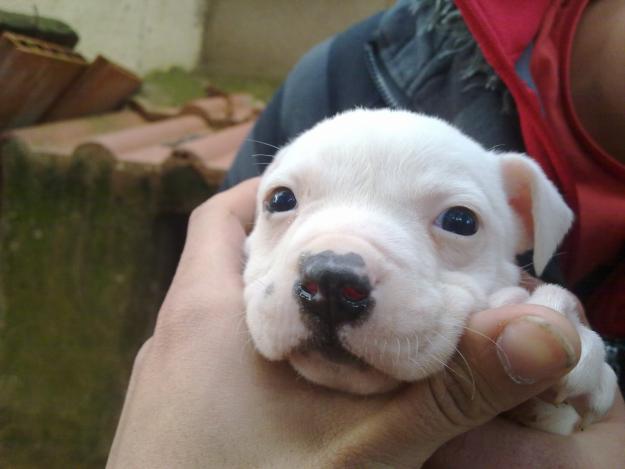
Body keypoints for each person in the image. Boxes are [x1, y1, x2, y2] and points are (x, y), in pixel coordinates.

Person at [107, 0, 625, 466]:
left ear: (525, 223)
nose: (335, 275)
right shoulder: (338, 71)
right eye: (284, 202)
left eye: (457, 222)